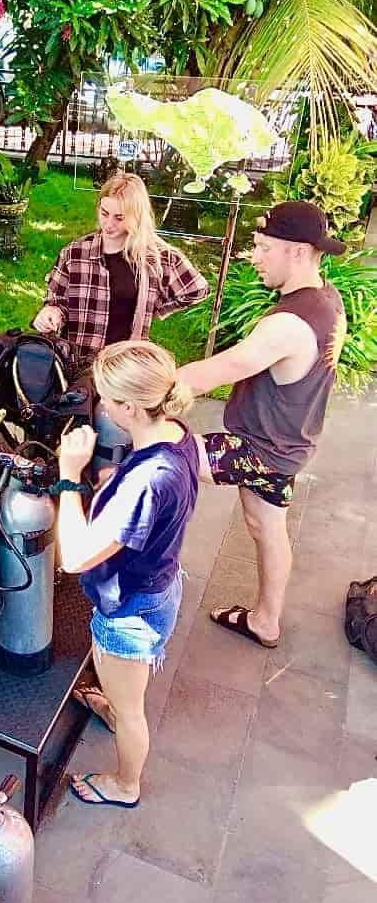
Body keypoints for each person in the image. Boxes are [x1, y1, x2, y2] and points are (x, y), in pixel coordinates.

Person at [177, 200, 347, 648]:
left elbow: (227, 366)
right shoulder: (326, 299)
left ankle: (147, 578)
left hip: (258, 449)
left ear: (296, 251)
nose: (254, 256)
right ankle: (265, 622)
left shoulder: (289, 322)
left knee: (163, 457)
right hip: (289, 444)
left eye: (263, 247)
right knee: (264, 526)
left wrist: (151, 385)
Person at [56, 341, 199, 807]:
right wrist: (112, 481)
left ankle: (125, 783)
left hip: (131, 610)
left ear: (130, 407)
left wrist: (68, 475)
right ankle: (114, 701)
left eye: (105, 397)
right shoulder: (175, 433)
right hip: (158, 584)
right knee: (122, 684)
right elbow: (144, 492)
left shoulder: (146, 481)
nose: (99, 404)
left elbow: (75, 556)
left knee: (133, 710)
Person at [33, 172, 210, 360]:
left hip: (124, 368)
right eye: (104, 213)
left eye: (119, 217)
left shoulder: (157, 258)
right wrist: (50, 313)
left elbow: (197, 289)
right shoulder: (75, 253)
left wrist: (156, 308)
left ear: (136, 216)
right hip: (77, 361)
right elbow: (57, 301)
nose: (108, 224)